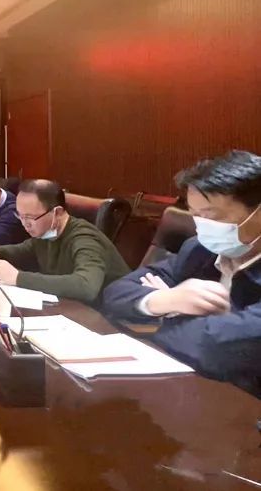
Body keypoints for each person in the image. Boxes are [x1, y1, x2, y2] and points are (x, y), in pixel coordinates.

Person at [103, 151, 261, 395]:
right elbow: (116, 293)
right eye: (195, 214)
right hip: (192, 389)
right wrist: (165, 299)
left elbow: (213, 348)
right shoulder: (200, 250)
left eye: (211, 215)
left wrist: (165, 316)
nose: (201, 225)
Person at [0, 179, 130, 303]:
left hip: (109, 316)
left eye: (30, 217)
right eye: (20, 216)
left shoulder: (85, 239)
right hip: (71, 306)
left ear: (57, 212)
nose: (24, 224)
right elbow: (27, 249)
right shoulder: (46, 232)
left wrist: (18, 278)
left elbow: (86, 286)